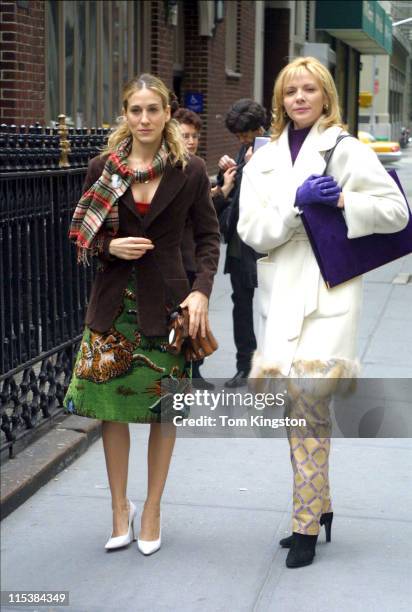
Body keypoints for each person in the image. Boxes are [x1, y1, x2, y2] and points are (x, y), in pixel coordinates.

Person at [238, 57, 408, 568]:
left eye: (309, 89)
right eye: (291, 91)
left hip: (329, 298)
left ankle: (305, 524)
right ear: (280, 100)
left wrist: (341, 205)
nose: (299, 99)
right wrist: (296, 205)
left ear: (326, 96)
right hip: (280, 299)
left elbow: (396, 213)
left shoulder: (347, 149)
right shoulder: (261, 160)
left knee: (308, 407)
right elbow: (251, 230)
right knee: (300, 412)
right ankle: (321, 507)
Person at [64, 74, 220, 556]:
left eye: (154, 109)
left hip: (169, 307)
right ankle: (119, 507)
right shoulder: (102, 168)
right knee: (110, 412)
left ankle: (152, 507)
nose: (145, 118)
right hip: (113, 304)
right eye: (137, 110)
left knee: (162, 412)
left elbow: (208, 240)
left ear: (167, 114)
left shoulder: (189, 170)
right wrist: (113, 245)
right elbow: (82, 238)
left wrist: (200, 294)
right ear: (125, 114)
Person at [173, 107, 236, 389]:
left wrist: (220, 192)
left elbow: (206, 221)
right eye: (185, 135)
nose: (190, 141)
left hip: (195, 257)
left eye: (195, 136)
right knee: (182, 322)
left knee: (196, 319)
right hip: (176, 258)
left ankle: (193, 372)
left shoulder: (196, 167)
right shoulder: (175, 169)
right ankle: (185, 373)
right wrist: (222, 192)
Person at [216, 99, 267, 388]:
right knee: (241, 304)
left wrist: (252, 168)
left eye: (243, 134)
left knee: (271, 306)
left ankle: (270, 366)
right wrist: (230, 170)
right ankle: (244, 365)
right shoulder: (246, 149)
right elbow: (236, 190)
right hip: (240, 240)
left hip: (266, 238)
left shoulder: (273, 147)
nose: (240, 139)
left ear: (257, 128)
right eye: (237, 135)